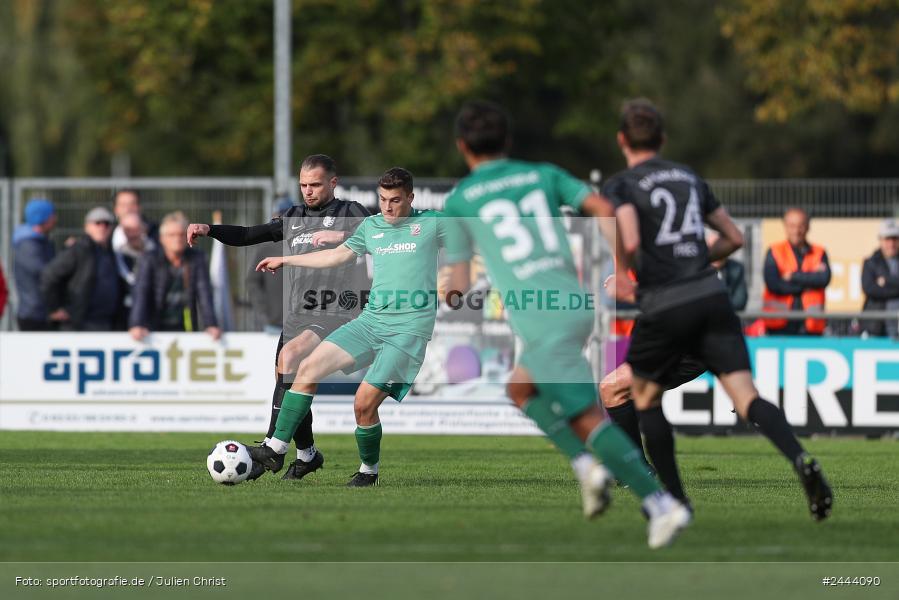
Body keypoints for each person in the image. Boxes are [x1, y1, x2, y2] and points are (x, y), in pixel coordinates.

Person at [440, 100, 690, 550]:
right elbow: (606, 208)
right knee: (520, 388)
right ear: (508, 142)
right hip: (571, 302)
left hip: (542, 314)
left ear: (462, 147)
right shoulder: (543, 173)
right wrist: (624, 266)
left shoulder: (460, 199)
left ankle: (660, 503)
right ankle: (585, 467)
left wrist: (447, 289)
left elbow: (457, 285)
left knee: (588, 417)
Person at [606, 98, 832, 522]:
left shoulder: (621, 185)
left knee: (644, 397)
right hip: (711, 295)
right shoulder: (689, 177)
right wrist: (694, 259)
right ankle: (801, 459)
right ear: (663, 139)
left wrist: (624, 274)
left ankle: (672, 499)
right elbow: (732, 238)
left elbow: (632, 241)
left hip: (667, 301)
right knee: (747, 398)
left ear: (622, 140)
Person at [251, 167, 440, 488]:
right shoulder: (372, 225)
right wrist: (286, 260)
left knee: (363, 404)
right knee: (306, 369)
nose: (388, 208)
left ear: (410, 197)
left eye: (396, 200)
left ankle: (368, 471)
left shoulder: (432, 223)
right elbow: (335, 257)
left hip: (407, 331)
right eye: (382, 200)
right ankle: (277, 447)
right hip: (370, 322)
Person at [187, 154, 370, 481]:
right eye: (303, 185)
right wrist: (209, 229)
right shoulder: (294, 216)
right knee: (288, 379)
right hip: (297, 313)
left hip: (335, 309)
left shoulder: (350, 211)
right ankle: (307, 454)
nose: (308, 191)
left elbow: (377, 232)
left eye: (315, 184)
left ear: (333, 182)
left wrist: (340, 237)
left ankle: (273, 448)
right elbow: (247, 235)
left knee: (290, 357)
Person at [129, 212, 220, 341]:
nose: (177, 239)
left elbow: (204, 292)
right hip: (155, 328)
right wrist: (137, 324)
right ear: (162, 238)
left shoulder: (197, 259)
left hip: (186, 328)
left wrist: (211, 324)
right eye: (171, 235)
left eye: (181, 234)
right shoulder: (149, 259)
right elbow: (141, 292)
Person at [41, 206, 127, 331]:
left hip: (106, 323)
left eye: (106, 224)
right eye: (97, 223)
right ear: (87, 226)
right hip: (81, 324)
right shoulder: (78, 250)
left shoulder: (112, 253)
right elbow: (49, 275)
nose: (102, 227)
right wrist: (54, 308)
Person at [762, 207, 831, 335]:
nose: (796, 231)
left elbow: (823, 279)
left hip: (811, 325)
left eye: (801, 226)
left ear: (808, 227)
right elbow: (774, 285)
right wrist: (808, 283)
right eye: (792, 226)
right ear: (785, 226)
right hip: (779, 325)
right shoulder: (774, 251)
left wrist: (793, 276)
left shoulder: (819, 252)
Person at [247, 197, 293, 335]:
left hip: (301, 323)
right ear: (273, 217)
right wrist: (264, 311)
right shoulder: (265, 248)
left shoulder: (304, 244)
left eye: (287, 215)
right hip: (273, 324)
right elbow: (252, 281)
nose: (283, 219)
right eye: (280, 215)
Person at [12, 198, 57, 330]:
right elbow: (45, 274)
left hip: (42, 312)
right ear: (43, 218)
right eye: (52, 215)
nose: (55, 218)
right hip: (34, 315)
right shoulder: (29, 245)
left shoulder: (41, 242)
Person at [860, 218, 899, 337]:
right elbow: (870, 289)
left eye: (895, 239)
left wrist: (886, 281)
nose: (891, 244)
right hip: (876, 327)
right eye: (887, 239)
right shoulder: (870, 263)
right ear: (880, 240)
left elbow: (878, 289)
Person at [115, 212, 156, 312]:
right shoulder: (117, 255)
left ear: (144, 229)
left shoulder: (156, 253)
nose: (132, 234)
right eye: (128, 230)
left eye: (136, 229)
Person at [707, 230, 748, 311]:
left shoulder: (736, 269)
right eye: (712, 248)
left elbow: (740, 302)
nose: (717, 253)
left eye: (720, 248)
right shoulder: (698, 270)